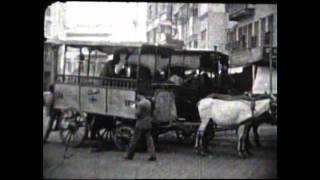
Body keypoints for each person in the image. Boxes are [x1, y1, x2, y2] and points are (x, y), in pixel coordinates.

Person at [124, 95, 157, 161]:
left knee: (134, 140)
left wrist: (135, 114)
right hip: (148, 123)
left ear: (139, 97)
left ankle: (129, 155)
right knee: (149, 140)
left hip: (140, 124)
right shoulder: (148, 102)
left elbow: (137, 114)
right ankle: (153, 155)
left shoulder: (140, 104)